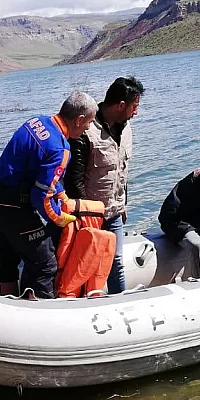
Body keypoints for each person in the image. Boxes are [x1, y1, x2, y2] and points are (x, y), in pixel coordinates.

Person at [0, 92, 97, 299]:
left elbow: (38, 170)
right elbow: (41, 197)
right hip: (13, 208)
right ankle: (39, 315)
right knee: (45, 262)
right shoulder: (60, 148)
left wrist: (62, 196)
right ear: (79, 119)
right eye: (88, 122)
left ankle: (10, 308)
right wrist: (60, 218)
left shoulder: (37, 122)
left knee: (8, 259)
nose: (89, 127)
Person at [63, 76, 144, 293]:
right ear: (120, 105)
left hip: (115, 211)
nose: (136, 112)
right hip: (89, 215)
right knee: (86, 264)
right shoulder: (86, 131)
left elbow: (121, 170)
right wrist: (85, 215)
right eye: (134, 107)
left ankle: (120, 302)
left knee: (116, 261)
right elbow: (74, 179)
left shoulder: (127, 129)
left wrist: (123, 202)